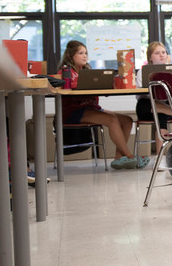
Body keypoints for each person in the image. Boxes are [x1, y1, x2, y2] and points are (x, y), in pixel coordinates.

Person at [58, 40, 149, 170]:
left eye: (86, 53)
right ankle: (129, 156)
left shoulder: (88, 71)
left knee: (127, 120)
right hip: (73, 111)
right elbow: (68, 88)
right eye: (80, 53)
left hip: (92, 108)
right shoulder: (66, 72)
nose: (85, 56)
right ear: (70, 56)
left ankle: (119, 159)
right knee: (111, 120)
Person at [135, 41, 172, 149]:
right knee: (152, 106)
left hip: (162, 107)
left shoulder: (171, 69)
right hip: (146, 107)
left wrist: (168, 66)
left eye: (164, 52)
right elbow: (140, 89)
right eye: (157, 53)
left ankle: (161, 155)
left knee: (161, 115)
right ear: (150, 57)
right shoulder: (142, 71)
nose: (162, 55)